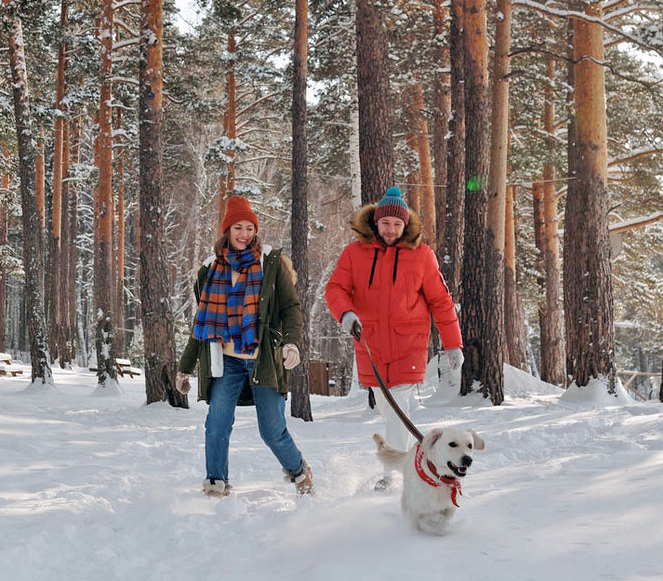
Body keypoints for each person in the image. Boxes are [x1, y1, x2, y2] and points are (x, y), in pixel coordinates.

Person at [324, 186, 464, 491]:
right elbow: (335, 289)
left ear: (406, 225)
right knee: (388, 409)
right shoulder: (354, 253)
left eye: (397, 224)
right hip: (370, 345)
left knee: (398, 408)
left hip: (408, 344)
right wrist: (345, 313)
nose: (390, 230)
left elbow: (440, 301)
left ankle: (393, 477)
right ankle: (413, 462)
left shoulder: (422, 256)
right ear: (375, 222)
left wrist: (453, 343)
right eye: (385, 223)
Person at [178, 196, 312, 497]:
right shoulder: (210, 271)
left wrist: (292, 343)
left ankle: (299, 471)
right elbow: (202, 322)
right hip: (227, 362)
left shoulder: (270, 263)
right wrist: (184, 368)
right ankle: (216, 482)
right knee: (216, 423)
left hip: (263, 359)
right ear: (226, 231)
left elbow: (291, 308)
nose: (244, 234)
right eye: (237, 227)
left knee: (272, 430)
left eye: (249, 228)